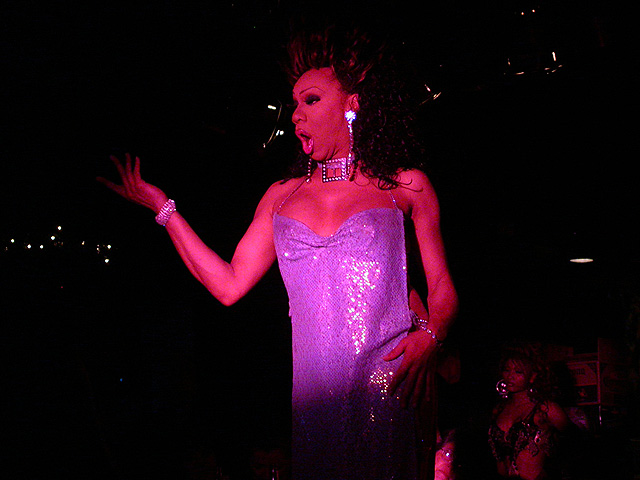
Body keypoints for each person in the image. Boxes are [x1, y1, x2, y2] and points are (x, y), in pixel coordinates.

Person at [98, 23, 458, 479]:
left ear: (352, 104)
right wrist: (163, 209)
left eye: (311, 100)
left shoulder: (404, 185)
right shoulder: (281, 197)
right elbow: (228, 285)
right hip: (315, 402)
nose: (295, 116)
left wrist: (430, 339)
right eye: (294, 105)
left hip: (389, 385)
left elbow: (442, 287)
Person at [488, 342, 569, 479]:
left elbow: (577, 445)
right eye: (507, 370)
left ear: (533, 376)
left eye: (518, 372)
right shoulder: (499, 409)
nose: (510, 376)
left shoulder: (545, 408)